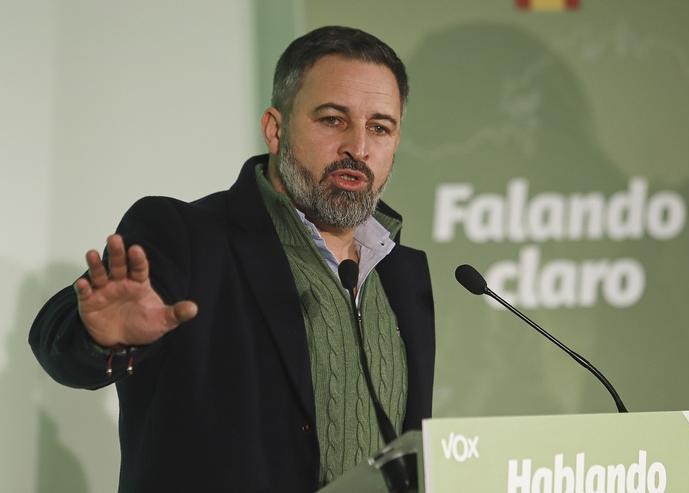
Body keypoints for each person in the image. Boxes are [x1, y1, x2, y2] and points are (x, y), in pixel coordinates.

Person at [29, 25, 435, 493]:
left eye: (379, 127)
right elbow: (55, 340)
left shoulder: (404, 275)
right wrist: (98, 338)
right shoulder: (186, 237)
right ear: (275, 129)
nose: (358, 148)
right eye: (332, 120)